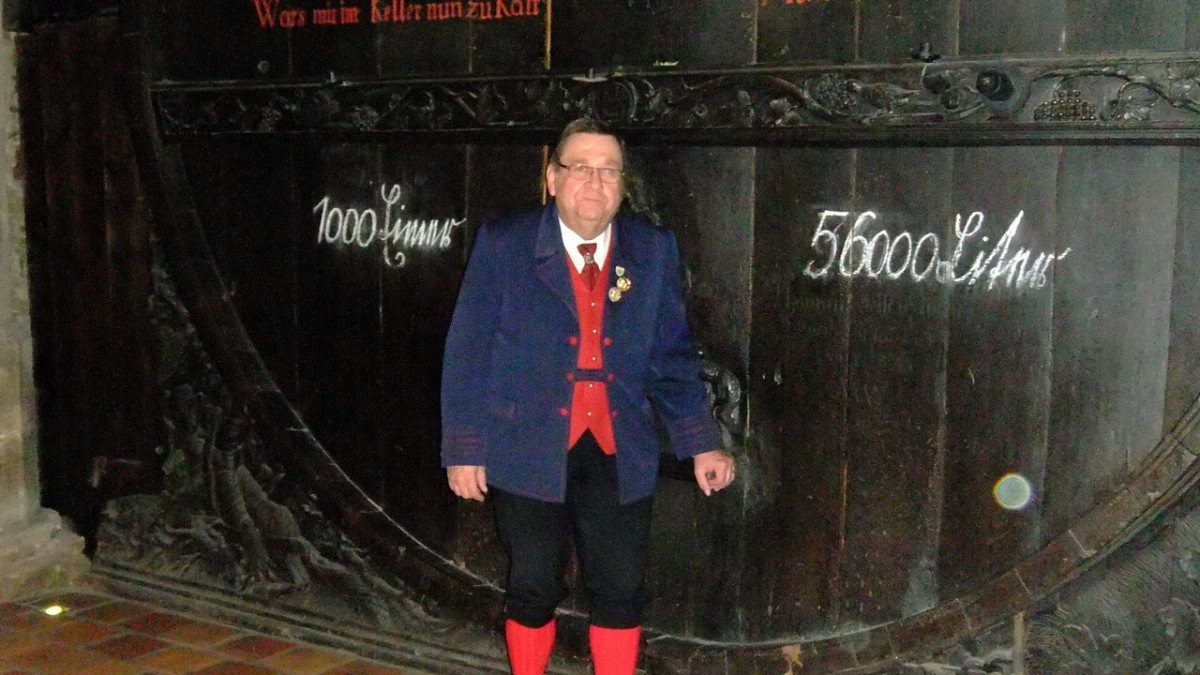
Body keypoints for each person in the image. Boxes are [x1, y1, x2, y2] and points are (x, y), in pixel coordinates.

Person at [440, 118, 735, 675]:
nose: (594, 182)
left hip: (619, 446)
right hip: (526, 442)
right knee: (532, 584)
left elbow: (671, 353)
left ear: (623, 183)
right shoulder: (505, 244)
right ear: (552, 178)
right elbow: (467, 350)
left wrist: (702, 442)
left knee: (621, 588)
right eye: (580, 168)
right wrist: (464, 448)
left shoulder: (652, 249)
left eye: (608, 170)